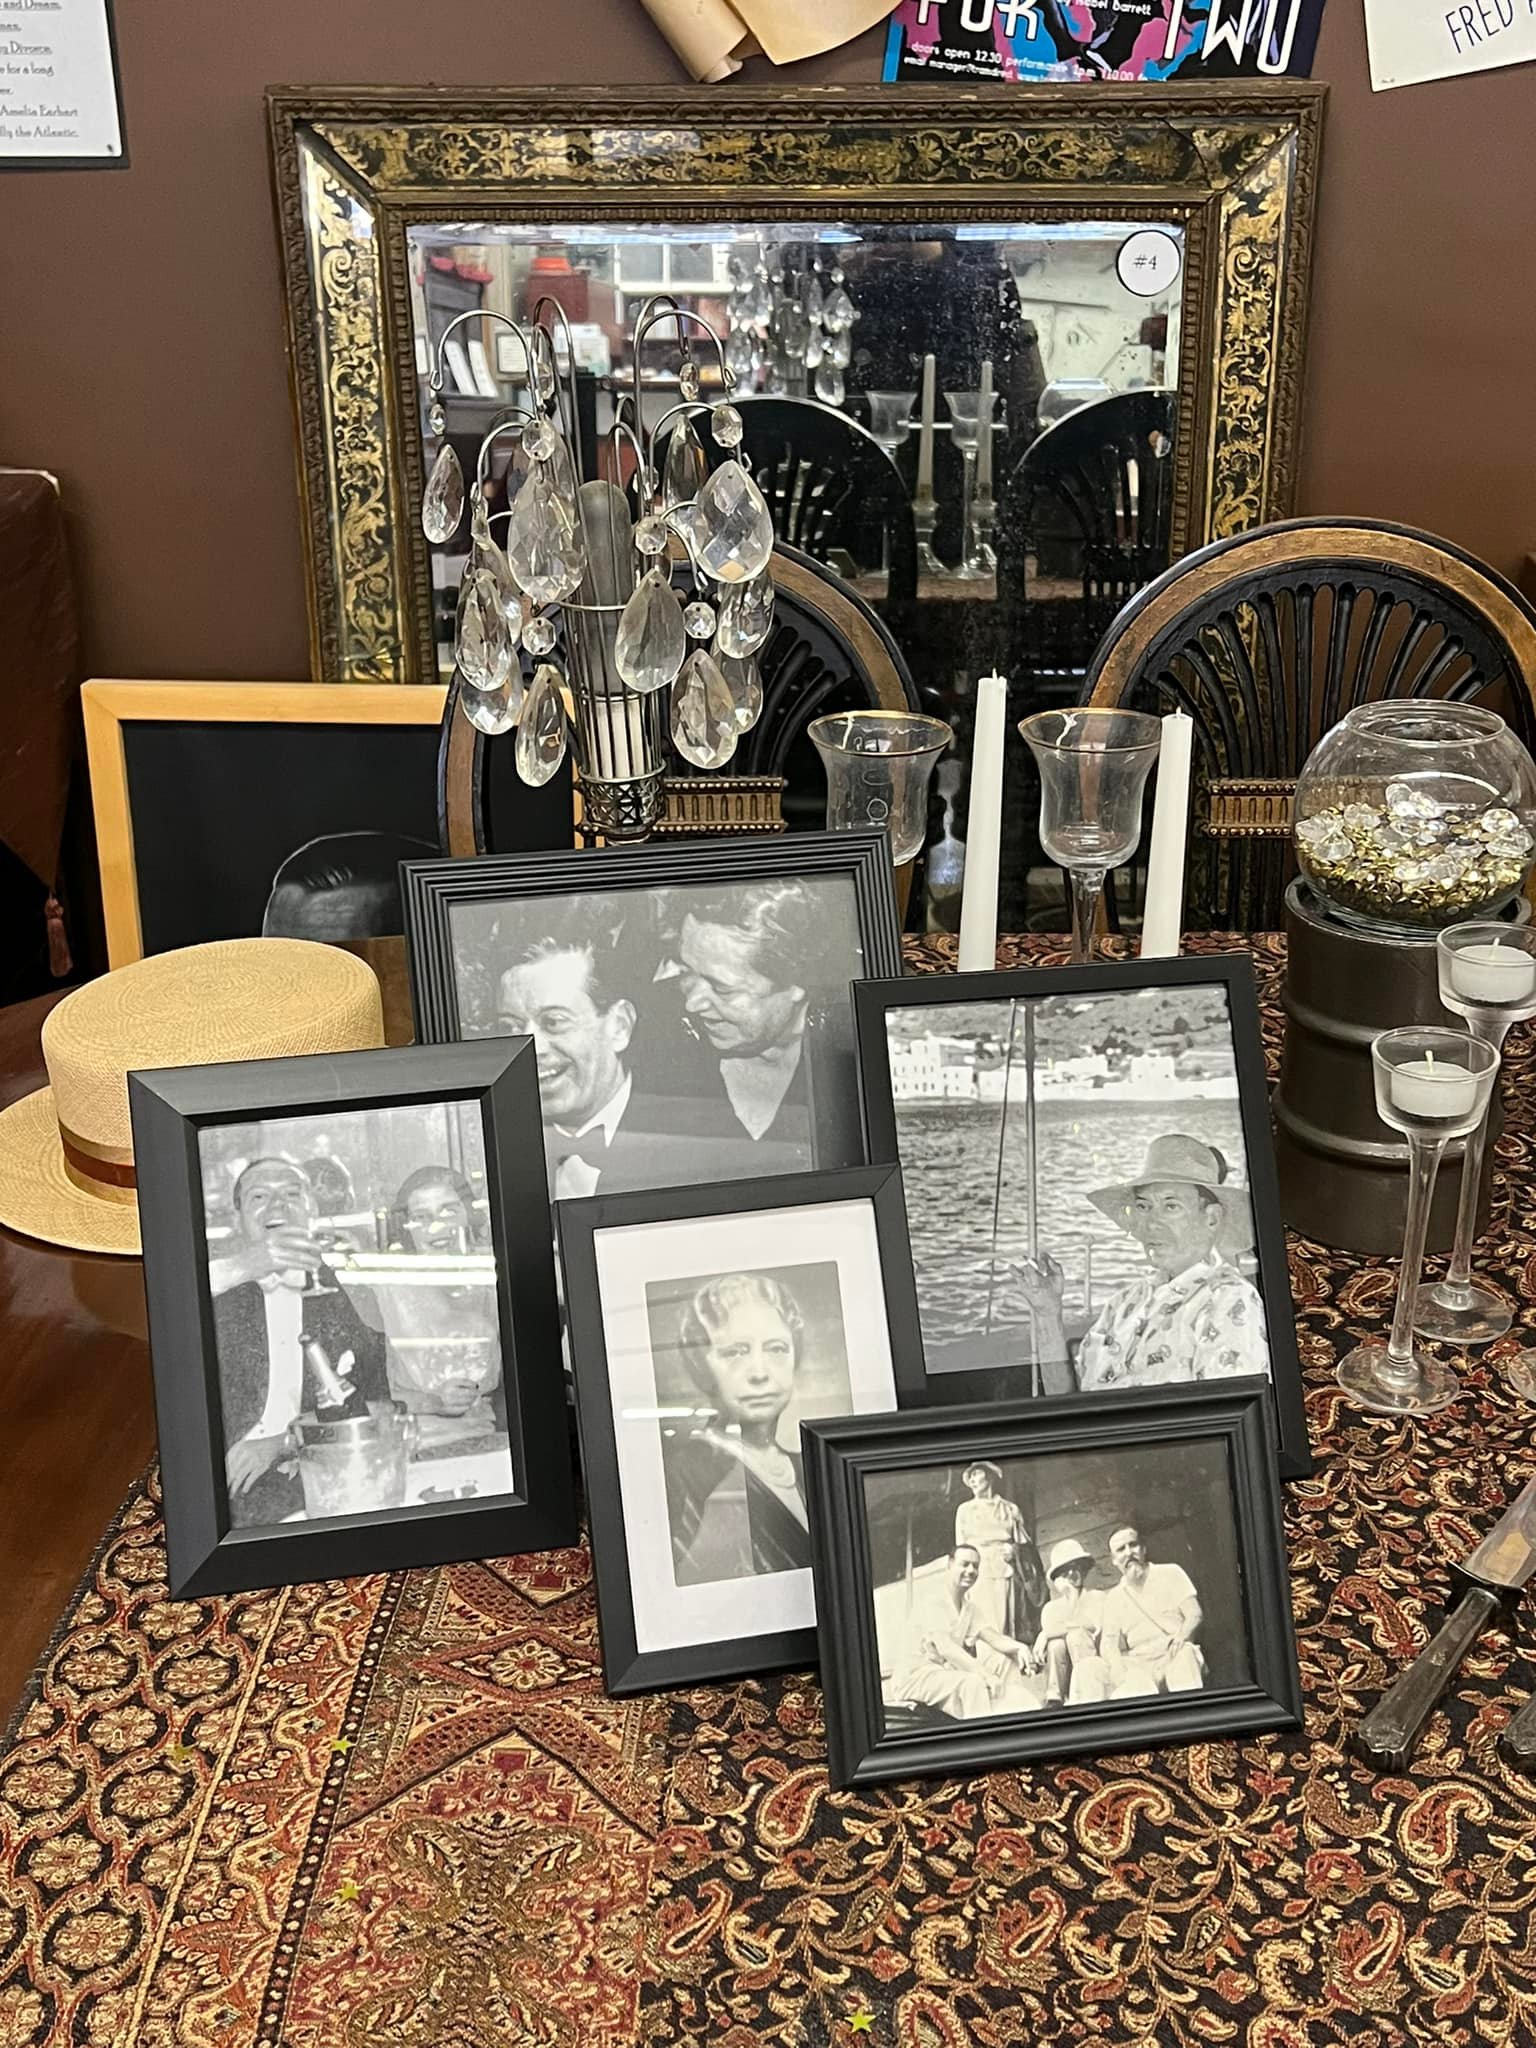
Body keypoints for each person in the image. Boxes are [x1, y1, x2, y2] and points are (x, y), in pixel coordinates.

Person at [208, 1157, 388, 1527]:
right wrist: (241, 1268)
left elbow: (377, 1405)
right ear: (238, 1218)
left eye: (292, 1194)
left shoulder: (348, 1291)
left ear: (312, 1210)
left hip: (321, 1471)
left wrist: (283, 1442)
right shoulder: (216, 1289)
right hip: (223, 1485)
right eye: (259, 1196)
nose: (277, 1205)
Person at [1016, 1135, 1269, 1393]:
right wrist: (1047, 1314)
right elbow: (1066, 1400)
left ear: (1212, 1219)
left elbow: (1232, 1414)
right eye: (1143, 1206)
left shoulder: (1229, 1299)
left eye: (1171, 1206)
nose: (1151, 1223)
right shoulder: (1122, 1303)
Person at [659, 881, 853, 1172]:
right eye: (686, 972)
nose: (691, 1003)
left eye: (722, 988)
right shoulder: (655, 1036)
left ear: (797, 985)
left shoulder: (850, 1062)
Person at [494, 917, 665, 1199]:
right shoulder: (502, 1148)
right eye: (510, 1027)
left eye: (553, 1022)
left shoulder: (697, 1138)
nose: (529, 1049)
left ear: (619, 1027)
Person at [665, 1272, 813, 1586]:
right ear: (700, 1364)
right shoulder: (684, 1476)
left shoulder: (811, 1466)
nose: (759, 1373)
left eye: (776, 1349)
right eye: (735, 1352)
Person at [378, 1165, 504, 1445]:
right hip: (412, 1443)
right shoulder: (387, 1290)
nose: (436, 1226)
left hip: (488, 1437)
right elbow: (367, 1401)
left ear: (468, 1215)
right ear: (406, 1228)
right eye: (421, 1217)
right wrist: (432, 1402)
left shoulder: (491, 1278)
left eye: (448, 1211)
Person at [888, 1545, 1040, 1722]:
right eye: (965, 1564)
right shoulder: (933, 1601)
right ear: (950, 1565)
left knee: (1006, 1664)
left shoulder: (969, 1608)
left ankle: (1017, 1719)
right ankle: (982, 1734)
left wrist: (1020, 1647)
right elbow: (947, 1649)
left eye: (975, 1566)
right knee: (973, 1683)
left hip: (942, 1675)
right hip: (915, 1677)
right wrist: (986, 1675)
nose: (971, 1571)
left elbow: (994, 1638)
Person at [1100, 1525, 1206, 1696]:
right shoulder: (1114, 1597)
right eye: (1120, 1550)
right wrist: (1117, 1667)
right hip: (1139, 1664)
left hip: (1174, 1652)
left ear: (1143, 1549)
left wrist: (1181, 1637)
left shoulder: (1170, 1573)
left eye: (1133, 1545)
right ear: (1114, 1560)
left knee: (1184, 1662)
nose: (1128, 1553)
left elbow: (1194, 1614)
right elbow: (1108, 1643)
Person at [953, 1461, 1043, 1638]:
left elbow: (1026, 1546)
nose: (972, 1481)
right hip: (978, 1571)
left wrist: (1014, 1550)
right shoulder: (965, 1510)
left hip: (1006, 1568)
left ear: (990, 1477)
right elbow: (960, 1549)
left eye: (976, 1474)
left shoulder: (1009, 1509)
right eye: (970, 1478)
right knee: (984, 1624)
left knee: (1008, 1624)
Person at [1034, 1538, 1112, 1706]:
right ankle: (1054, 1700)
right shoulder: (1051, 1609)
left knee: (1076, 1636)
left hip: (1094, 1667)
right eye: (1064, 1571)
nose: (1071, 1573)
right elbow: (1054, 1641)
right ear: (1057, 1579)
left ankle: (1087, 1695)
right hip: (1065, 1677)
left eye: (1076, 1567)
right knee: (1056, 1644)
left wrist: (1045, 1634)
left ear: (1084, 1570)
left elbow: (1092, 1626)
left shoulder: (1098, 1598)